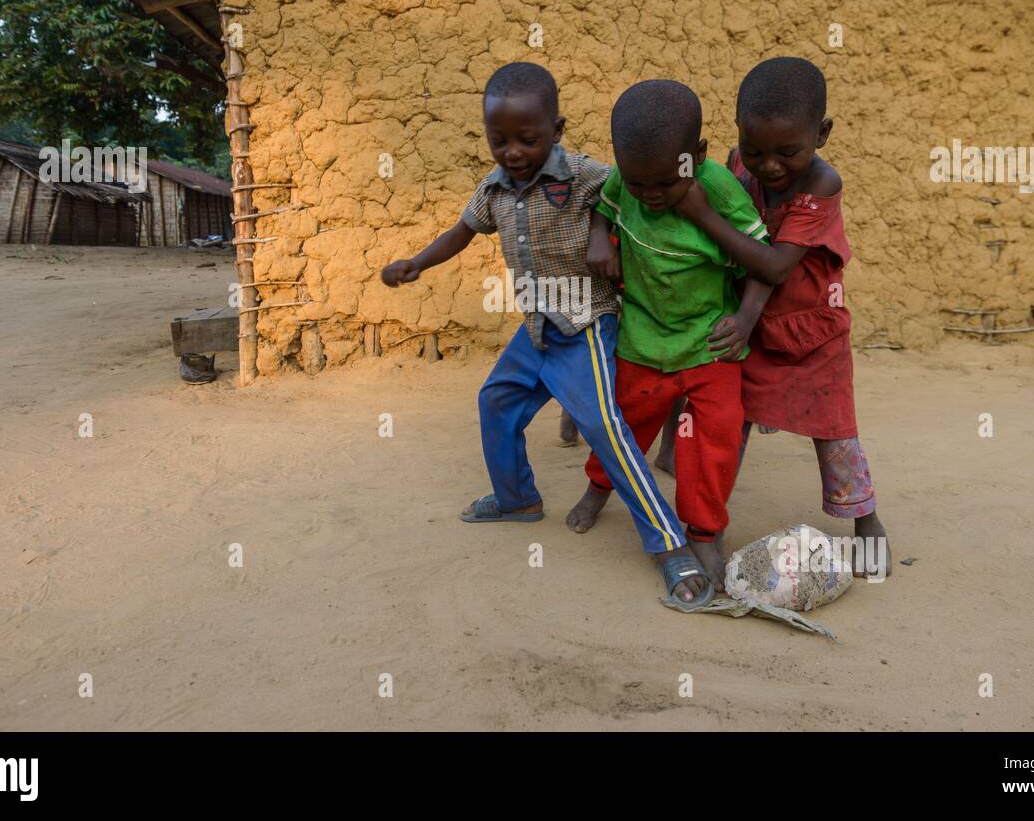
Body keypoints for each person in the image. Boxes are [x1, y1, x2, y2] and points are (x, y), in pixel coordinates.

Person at [380, 62, 711, 606]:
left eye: (527, 139)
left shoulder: (584, 175)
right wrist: (416, 263)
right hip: (536, 324)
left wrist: (602, 236)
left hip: (584, 323)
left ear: (556, 130)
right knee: (496, 400)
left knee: (605, 427)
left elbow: (625, 189)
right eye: (499, 140)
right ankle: (516, 500)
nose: (512, 152)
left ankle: (668, 543)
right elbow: (461, 231)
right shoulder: (493, 188)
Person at [673, 57, 890, 576]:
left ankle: (867, 524)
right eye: (755, 150)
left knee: (835, 433)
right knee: (728, 423)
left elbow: (772, 263)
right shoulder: (737, 166)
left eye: (787, 151)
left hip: (812, 330)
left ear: (823, 134)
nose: (769, 165)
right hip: (753, 328)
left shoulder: (822, 183)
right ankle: (708, 528)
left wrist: (699, 211)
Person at [574, 79, 772, 589]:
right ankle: (600, 486)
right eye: (639, 186)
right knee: (623, 424)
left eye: (664, 184)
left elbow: (765, 263)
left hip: (711, 342)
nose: (651, 196)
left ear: (697, 155)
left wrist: (746, 318)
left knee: (715, 437)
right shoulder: (628, 178)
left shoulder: (721, 191)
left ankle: (704, 531)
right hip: (643, 335)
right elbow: (606, 204)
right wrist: (601, 237)